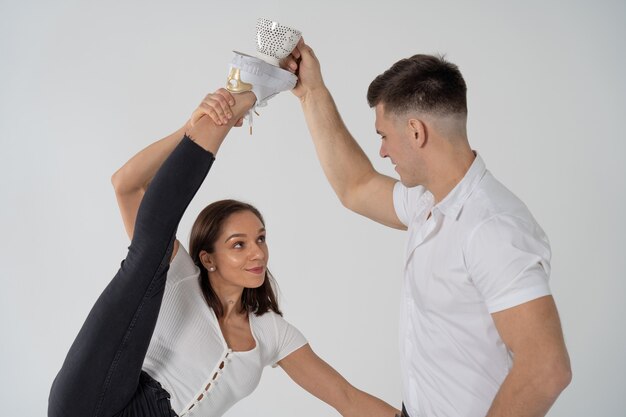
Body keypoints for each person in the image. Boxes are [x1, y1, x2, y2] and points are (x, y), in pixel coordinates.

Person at [48, 86, 399, 417]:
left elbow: (346, 397)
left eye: (260, 239)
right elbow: (126, 184)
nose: (257, 254)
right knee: (149, 255)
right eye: (239, 245)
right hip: (95, 398)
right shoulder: (181, 276)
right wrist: (192, 127)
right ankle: (229, 110)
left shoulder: (271, 332)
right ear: (208, 258)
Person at [284, 39, 572, 417]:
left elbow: (546, 368)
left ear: (416, 132)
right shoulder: (427, 201)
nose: (383, 152)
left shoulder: (491, 226)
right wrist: (311, 93)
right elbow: (355, 186)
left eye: (384, 136)